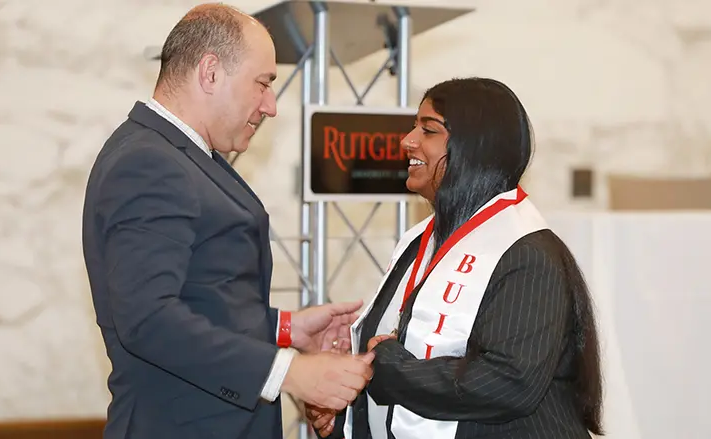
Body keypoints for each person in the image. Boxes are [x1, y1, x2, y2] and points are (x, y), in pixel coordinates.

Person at [81, 5, 373, 439]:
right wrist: (290, 373)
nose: (270, 106)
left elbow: (202, 294)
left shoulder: (182, 155)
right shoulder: (148, 161)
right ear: (211, 72)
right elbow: (148, 319)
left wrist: (286, 328)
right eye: (263, 83)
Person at [305, 77, 605, 439]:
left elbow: (507, 383)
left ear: (474, 146)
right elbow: (387, 358)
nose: (407, 141)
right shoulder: (420, 242)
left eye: (428, 129)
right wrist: (343, 412)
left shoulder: (526, 255)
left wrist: (391, 369)